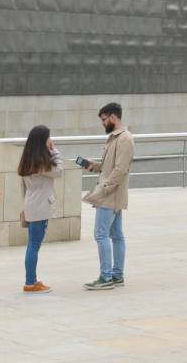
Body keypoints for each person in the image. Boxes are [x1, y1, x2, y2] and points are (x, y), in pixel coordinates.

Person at [82, 101, 134, 290]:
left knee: (101, 234)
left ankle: (106, 277)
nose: (103, 123)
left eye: (104, 120)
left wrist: (104, 188)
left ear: (113, 117)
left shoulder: (124, 139)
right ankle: (116, 275)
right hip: (113, 194)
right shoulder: (115, 138)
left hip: (110, 195)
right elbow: (110, 167)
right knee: (116, 235)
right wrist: (93, 165)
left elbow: (120, 170)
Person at [16, 124, 61, 293]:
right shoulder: (41, 162)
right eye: (48, 137)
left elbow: (23, 188)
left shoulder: (27, 159)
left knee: (32, 244)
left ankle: (32, 280)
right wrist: (54, 151)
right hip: (40, 206)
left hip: (31, 204)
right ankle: (30, 282)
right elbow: (59, 171)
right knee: (34, 245)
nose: (50, 140)